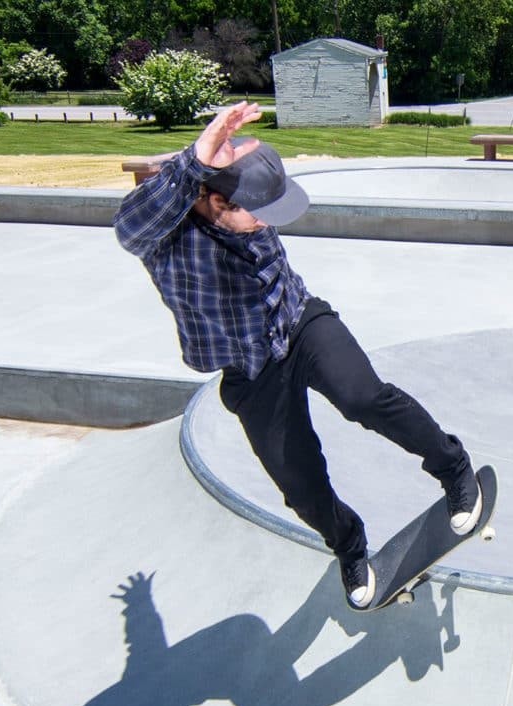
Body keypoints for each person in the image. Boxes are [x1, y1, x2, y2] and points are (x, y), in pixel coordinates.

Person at [114, 102, 480, 610]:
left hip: (299, 321)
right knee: (301, 485)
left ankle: (452, 466)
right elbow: (127, 226)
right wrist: (196, 157)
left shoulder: (249, 203)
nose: (267, 225)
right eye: (257, 214)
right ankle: (350, 546)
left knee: (364, 397)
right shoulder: (166, 238)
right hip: (249, 369)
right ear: (213, 200)